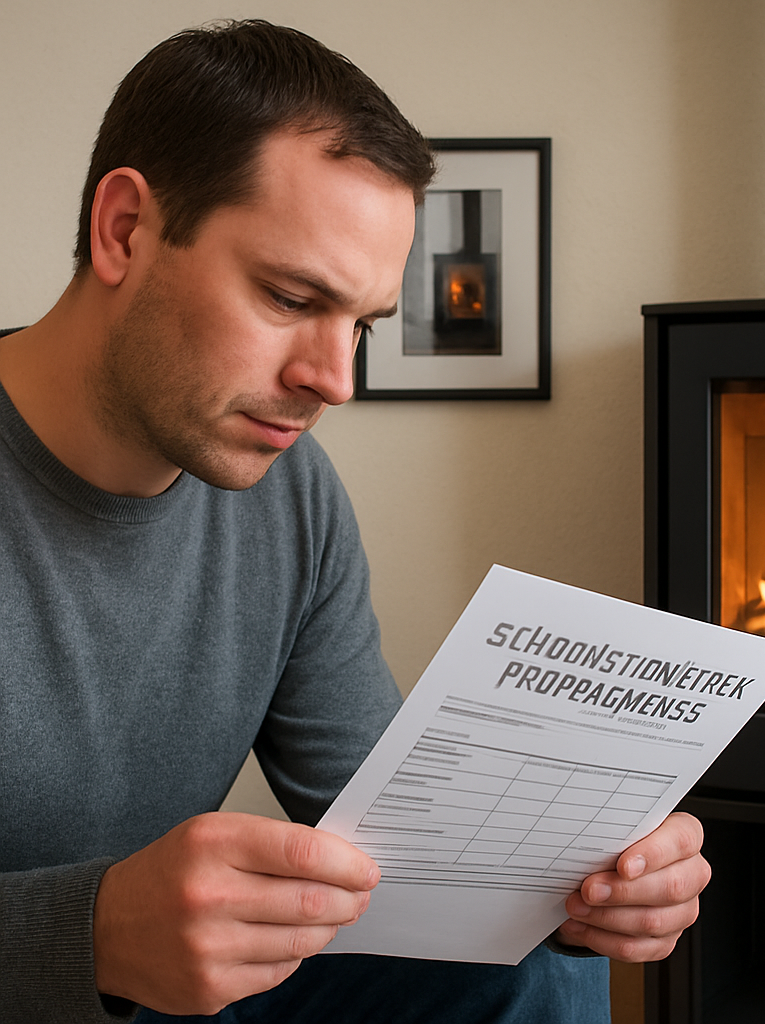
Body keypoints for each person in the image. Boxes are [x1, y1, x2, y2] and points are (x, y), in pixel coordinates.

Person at [0, 19, 710, 1024]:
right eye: (292, 297)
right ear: (125, 229)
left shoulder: (292, 498)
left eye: (363, 326)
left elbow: (402, 854)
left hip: (188, 1005)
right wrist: (92, 933)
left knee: (545, 960)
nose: (332, 379)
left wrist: (588, 885)